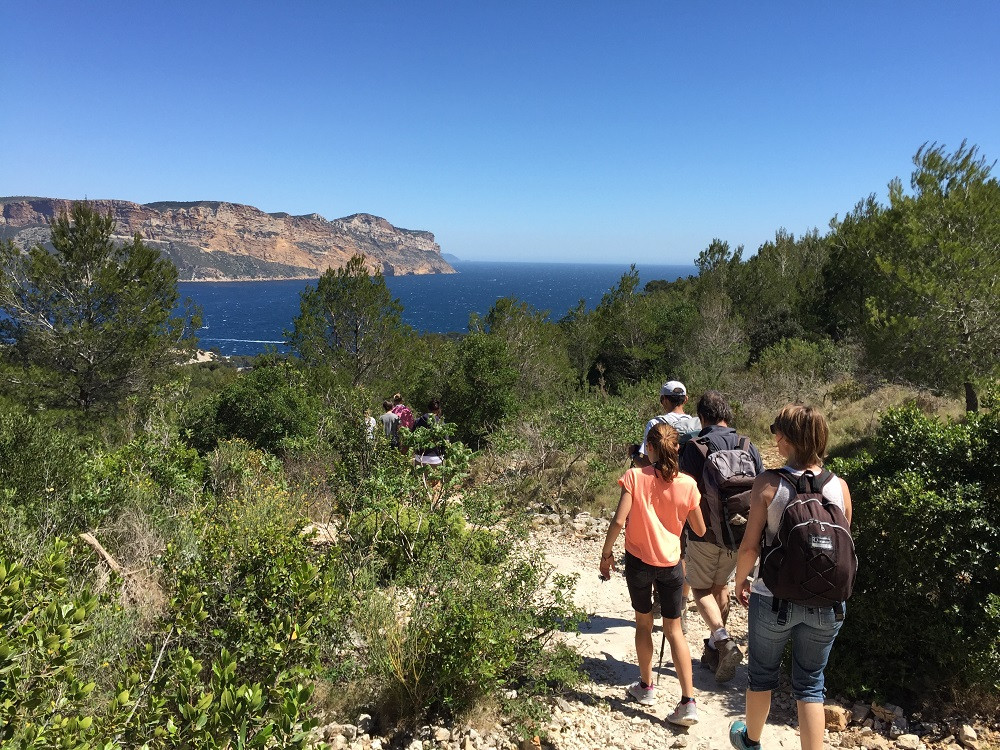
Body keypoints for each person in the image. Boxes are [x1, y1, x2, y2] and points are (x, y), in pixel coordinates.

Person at [729, 404, 853, 750]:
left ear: (788, 439)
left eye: (778, 431)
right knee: (811, 684)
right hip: (827, 604)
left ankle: (750, 741)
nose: (776, 437)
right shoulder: (839, 488)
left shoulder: (769, 483)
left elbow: (750, 547)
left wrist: (741, 581)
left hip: (773, 598)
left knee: (762, 677)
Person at [599, 422, 707, 726]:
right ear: (676, 448)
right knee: (675, 630)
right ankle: (688, 702)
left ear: (649, 447)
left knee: (643, 622)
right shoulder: (687, 484)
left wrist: (606, 555)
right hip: (672, 564)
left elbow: (619, 521)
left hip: (638, 563)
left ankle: (646, 687)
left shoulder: (634, 477)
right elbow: (699, 529)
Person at [679, 390, 764, 683]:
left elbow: (684, 491)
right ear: (727, 414)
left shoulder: (695, 447)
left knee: (700, 590)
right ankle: (716, 652)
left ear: (702, 418)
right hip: (739, 534)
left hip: (704, 533)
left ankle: (723, 641)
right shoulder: (748, 445)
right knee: (721, 586)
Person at [634, 380, 702, 466]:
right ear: (685, 399)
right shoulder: (697, 423)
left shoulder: (655, 423)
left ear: (664, 400)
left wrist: (633, 455)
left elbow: (647, 463)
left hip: (666, 476)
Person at [413, 398, 445, 466]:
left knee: (420, 476)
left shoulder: (418, 421)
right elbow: (446, 442)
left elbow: (412, 438)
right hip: (436, 458)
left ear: (428, 409)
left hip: (420, 457)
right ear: (438, 410)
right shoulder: (441, 423)